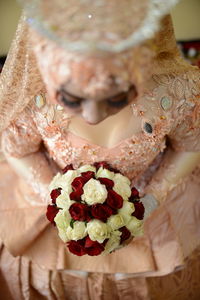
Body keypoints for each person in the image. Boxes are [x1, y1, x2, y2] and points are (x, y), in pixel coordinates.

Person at [0, 0, 200, 299]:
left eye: (118, 98)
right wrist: (54, 198)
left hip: (156, 211)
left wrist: (154, 198)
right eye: (70, 99)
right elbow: (17, 150)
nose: (93, 116)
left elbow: (191, 145)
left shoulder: (175, 91)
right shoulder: (32, 96)